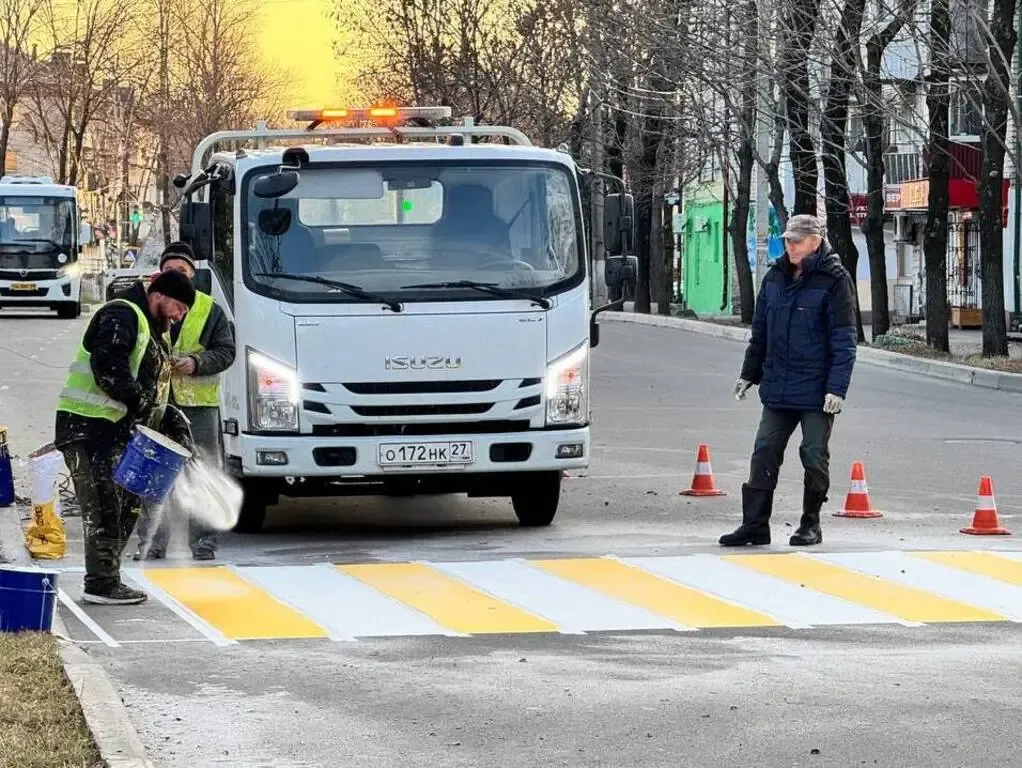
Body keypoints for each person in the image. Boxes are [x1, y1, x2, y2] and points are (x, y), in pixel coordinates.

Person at [54, 270, 197, 605]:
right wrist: (144, 405)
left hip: (118, 431)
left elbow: (149, 384)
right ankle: (100, 584)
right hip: (88, 428)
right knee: (104, 508)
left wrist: (169, 417)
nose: (178, 316)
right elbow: (109, 369)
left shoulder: (153, 327)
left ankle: (109, 577)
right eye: (178, 307)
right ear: (159, 294)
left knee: (127, 506)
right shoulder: (122, 314)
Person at [721, 214, 857, 548]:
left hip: (816, 390)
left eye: (796, 241)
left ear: (815, 240)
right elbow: (761, 333)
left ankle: (810, 524)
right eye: (788, 241)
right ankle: (754, 526)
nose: (790, 246)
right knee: (764, 450)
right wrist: (748, 374)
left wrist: (836, 389)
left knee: (813, 454)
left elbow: (844, 339)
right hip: (778, 386)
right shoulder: (775, 277)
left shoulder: (834, 279)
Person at [134, 242, 235, 561]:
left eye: (182, 271)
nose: (176, 276)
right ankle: (153, 541)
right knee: (153, 473)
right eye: (169, 271)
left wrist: (196, 362)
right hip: (157, 405)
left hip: (198, 407)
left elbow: (226, 350)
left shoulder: (209, 309)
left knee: (202, 471)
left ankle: (204, 540)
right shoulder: (146, 307)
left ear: (192, 275)